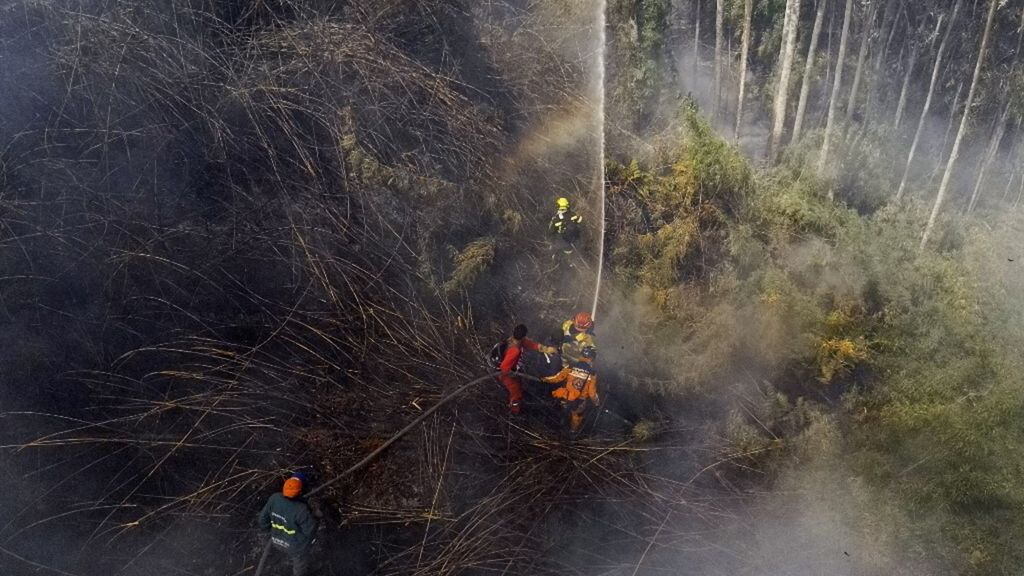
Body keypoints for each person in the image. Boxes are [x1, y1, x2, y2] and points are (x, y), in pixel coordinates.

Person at [258, 474, 319, 576]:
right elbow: (310, 531)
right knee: (299, 564)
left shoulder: (274, 499)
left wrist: (271, 531)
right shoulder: (301, 509)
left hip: (275, 540)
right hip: (295, 547)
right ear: (299, 492)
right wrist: (316, 517)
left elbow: (262, 520)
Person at [494, 323, 556, 414]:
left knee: (519, 384)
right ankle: (514, 411)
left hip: (510, 369)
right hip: (504, 374)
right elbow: (504, 367)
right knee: (516, 391)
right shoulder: (515, 350)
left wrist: (544, 348)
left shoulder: (513, 340)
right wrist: (511, 373)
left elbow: (529, 343)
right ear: (523, 336)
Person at [542, 345, 600, 432]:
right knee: (576, 416)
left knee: (562, 413)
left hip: (566, 397)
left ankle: (556, 429)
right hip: (579, 402)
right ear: (592, 358)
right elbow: (592, 393)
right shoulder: (592, 373)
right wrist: (597, 402)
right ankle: (572, 434)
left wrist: (545, 379)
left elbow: (558, 378)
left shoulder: (571, 366)